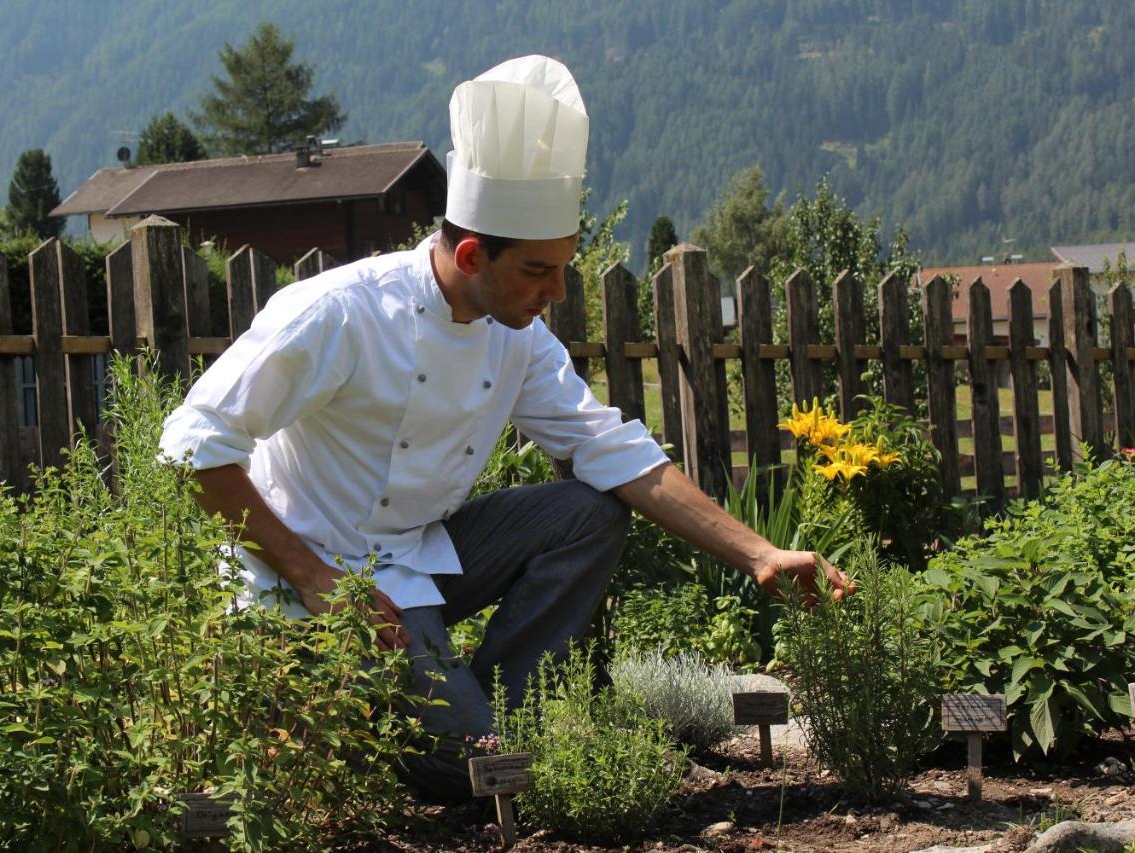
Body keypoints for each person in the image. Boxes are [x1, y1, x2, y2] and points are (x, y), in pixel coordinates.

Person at [158, 55, 849, 802]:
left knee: (587, 509)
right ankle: (446, 730)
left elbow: (614, 452)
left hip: (415, 561)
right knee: (476, 774)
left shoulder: (514, 333)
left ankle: (495, 715)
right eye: (538, 270)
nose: (556, 291)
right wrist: (310, 575)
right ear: (469, 253)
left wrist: (760, 554)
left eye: (563, 269)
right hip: (311, 578)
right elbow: (194, 441)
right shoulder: (341, 312)